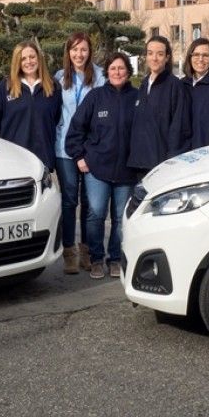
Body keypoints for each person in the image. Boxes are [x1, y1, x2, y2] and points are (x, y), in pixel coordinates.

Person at [65, 52, 138, 279]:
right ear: (107, 72)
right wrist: (79, 157)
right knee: (95, 214)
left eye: (121, 68)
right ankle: (96, 258)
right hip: (96, 168)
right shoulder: (96, 97)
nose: (117, 72)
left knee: (119, 218)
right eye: (113, 68)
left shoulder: (137, 98)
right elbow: (76, 129)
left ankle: (114, 258)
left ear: (128, 71)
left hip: (126, 170)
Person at [54, 32, 104, 274]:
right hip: (64, 148)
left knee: (89, 202)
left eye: (83, 49)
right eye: (74, 50)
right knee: (69, 199)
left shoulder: (100, 76)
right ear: (68, 52)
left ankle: (87, 250)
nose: (79, 54)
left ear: (89, 51)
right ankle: (68, 251)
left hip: (91, 148)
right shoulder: (58, 77)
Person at [0, 40, 61, 171]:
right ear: (17, 62)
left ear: (39, 58)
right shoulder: (6, 86)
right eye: (23, 59)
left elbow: (55, 120)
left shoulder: (53, 87)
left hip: (43, 160)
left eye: (32, 57)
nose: (29, 62)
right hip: (13, 160)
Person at [128, 35, 191, 176]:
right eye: (150, 53)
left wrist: (172, 160)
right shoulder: (144, 84)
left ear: (167, 57)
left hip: (161, 164)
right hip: (139, 162)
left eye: (160, 54)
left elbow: (179, 127)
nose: (154, 58)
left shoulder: (175, 86)